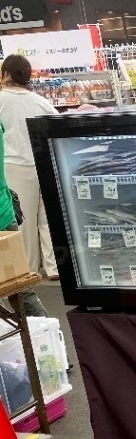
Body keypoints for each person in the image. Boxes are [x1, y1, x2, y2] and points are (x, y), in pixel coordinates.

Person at [0, 54, 60, 280]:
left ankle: (28, 269)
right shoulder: (41, 102)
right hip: (45, 163)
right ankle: (55, 267)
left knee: (23, 221)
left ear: (5, 74)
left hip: (14, 165)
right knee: (48, 219)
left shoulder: (1, 100)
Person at [0, 119, 48, 317]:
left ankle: (47, 333)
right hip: (4, 216)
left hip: (2, 222)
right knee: (19, 288)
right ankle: (48, 333)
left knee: (19, 287)